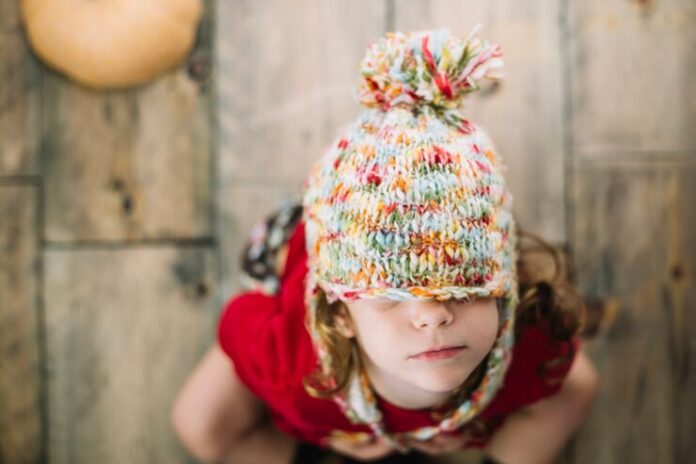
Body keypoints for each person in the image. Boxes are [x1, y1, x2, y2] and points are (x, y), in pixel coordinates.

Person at [170, 26, 599, 464]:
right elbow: (239, 320)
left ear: (503, 289)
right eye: (391, 297)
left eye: (464, 286)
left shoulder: (531, 345)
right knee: (199, 424)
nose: (433, 314)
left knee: (574, 392)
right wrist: (329, 437)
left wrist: (479, 430)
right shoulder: (297, 371)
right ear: (341, 316)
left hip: (459, 221)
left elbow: (576, 384)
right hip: (315, 241)